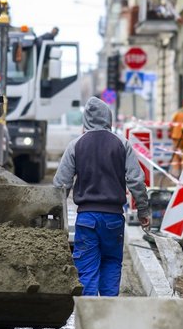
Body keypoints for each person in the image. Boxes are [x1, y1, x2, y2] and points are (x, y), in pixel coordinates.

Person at [53, 96, 150, 296]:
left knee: (87, 270)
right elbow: (136, 181)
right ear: (109, 118)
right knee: (112, 264)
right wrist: (143, 211)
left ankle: (88, 321)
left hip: (87, 219)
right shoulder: (121, 144)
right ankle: (108, 316)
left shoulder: (76, 145)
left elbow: (61, 185)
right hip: (114, 219)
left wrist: (56, 216)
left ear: (86, 120)